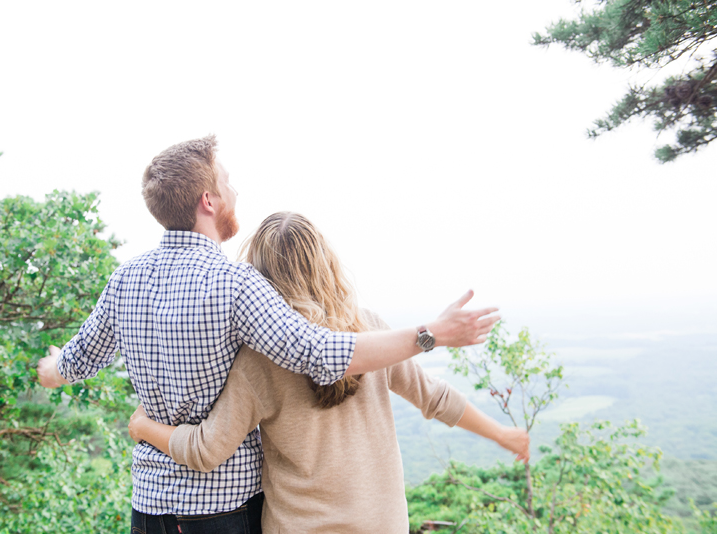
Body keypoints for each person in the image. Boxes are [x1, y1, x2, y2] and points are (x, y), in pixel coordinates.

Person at [36, 136, 501, 534]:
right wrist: (430, 335)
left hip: (150, 505)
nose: (236, 189)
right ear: (208, 201)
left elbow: (71, 364)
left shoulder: (125, 280)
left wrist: (49, 368)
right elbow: (318, 351)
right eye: (228, 182)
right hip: (223, 508)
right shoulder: (237, 284)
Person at [127, 212, 529, 533]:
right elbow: (436, 397)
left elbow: (205, 450)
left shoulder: (259, 361)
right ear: (326, 264)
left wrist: (143, 426)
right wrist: (502, 434)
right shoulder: (369, 330)